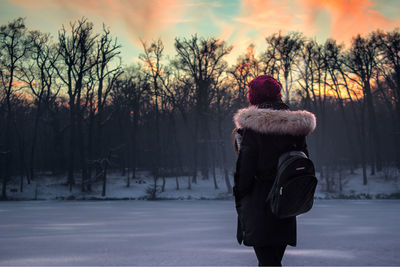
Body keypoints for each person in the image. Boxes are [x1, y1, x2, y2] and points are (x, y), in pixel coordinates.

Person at [231, 75, 316, 266]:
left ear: (254, 98)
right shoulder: (295, 127)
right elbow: (304, 162)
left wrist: (240, 197)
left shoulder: (254, 128)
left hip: (260, 205)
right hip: (286, 204)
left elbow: (244, 172)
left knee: (268, 262)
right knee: (272, 261)